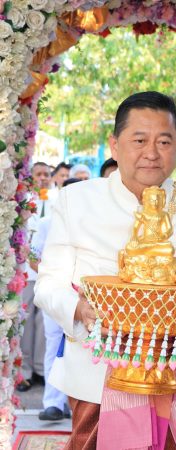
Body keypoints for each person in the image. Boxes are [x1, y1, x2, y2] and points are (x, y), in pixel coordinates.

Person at [34, 92, 176, 449]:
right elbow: (48, 284)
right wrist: (80, 310)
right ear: (114, 145)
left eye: (164, 141)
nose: (152, 152)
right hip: (97, 378)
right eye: (139, 140)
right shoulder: (77, 200)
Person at [30, 178, 82, 420]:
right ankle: (53, 403)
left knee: (82, 349)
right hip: (55, 294)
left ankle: (78, 404)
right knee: (54, 346)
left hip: (84, 298)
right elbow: (34, 257)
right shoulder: (45, 223)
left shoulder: (90, 224)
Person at [17, 162, 56, 392]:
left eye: (46, 175)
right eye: (39, 174)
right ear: (31, 178)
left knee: (45, 324)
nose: (43, 178)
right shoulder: (22, 203)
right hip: (27, 274)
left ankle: (41, 370)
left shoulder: (56, 203)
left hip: (49, 274)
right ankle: (25, 372)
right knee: (26, 323)